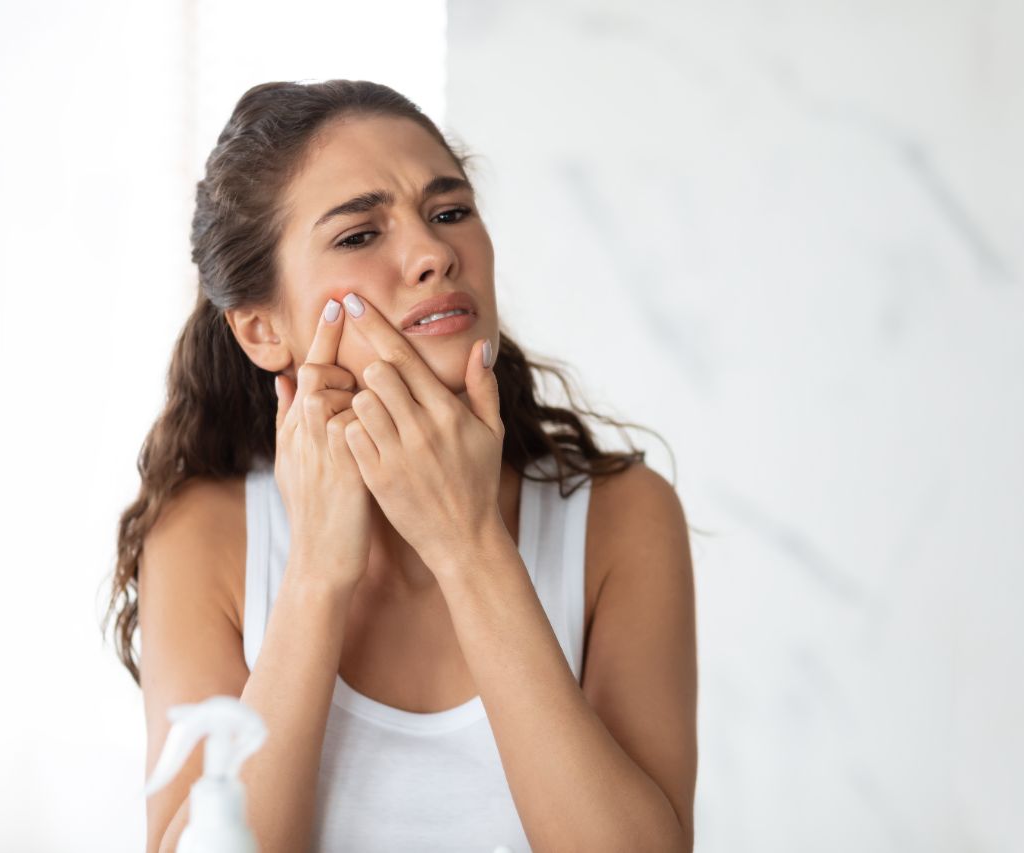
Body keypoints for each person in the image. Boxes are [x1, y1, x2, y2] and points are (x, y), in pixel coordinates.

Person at [102, 79, 697, 853]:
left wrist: (469, 544)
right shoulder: (204, 535)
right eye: (359, 236)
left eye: (450, 212)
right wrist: (316, 571)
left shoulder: (622, 517)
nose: (434, 254)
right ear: (259, 330)